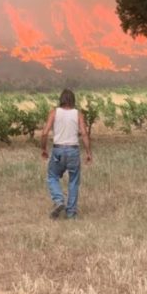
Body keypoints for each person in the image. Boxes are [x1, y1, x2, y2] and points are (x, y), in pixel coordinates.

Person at [40, 89, 93, 220]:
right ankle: (71, 214)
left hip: (58, 150)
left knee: (52, 177)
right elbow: (84, 134)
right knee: (74, 181)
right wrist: (88, 152)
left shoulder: (54, 112)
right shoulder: (78, 114)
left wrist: (44, 149)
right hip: (73, 150)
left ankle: (58, 201)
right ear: (73, 100)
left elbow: (45, 132)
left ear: (61, 100)